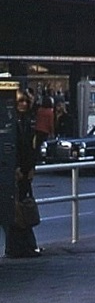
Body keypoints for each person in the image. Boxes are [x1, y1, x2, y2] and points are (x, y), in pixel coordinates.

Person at [5, 91, 42, 258]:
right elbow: (9, 147)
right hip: (14, 171)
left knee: (24, 206)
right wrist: (14, 167)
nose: (24, 104)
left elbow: (31, 147)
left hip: (25, 171)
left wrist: (31, 167)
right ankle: (16, 247)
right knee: (15, 209)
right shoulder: (9, 122)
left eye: (26, 101)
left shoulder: (27, 122)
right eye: (21, 101)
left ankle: (25, 246)